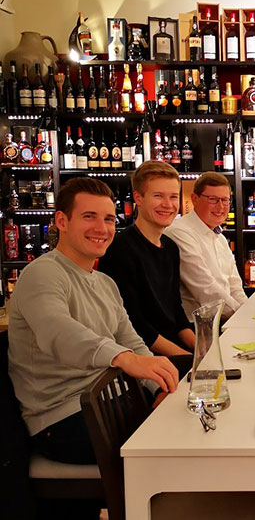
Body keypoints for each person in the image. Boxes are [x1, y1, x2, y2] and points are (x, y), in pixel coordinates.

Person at [7, 178, 178, 518]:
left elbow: (132, 341)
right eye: (89, 217)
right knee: (178, 448)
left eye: (109, 219)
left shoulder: (104, 283)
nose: (102, 228)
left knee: (191, 422)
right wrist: (124, 359)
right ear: (62, 221)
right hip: (63, 420)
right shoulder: (41, 274)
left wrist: (158, 385)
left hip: (111, 403)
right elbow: (59, 333)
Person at [98, 161, 195, 357]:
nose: (168, 205)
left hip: (174, 351)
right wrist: (188, 359)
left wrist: (203, 349)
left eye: (173, 196)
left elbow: (176, 311)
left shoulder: (171, 248)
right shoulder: (119, 249)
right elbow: (135, 325)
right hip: (143, 358)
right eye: (158, 196)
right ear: (138, 198)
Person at [165, 172, 247, 322]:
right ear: (194, 199)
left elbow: (235, 286)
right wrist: (243, 317)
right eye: (213, 199)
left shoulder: (220, 238)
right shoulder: (180, 232)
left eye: (225, 200)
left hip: (225, 320)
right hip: (196, 327)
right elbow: (206, 290)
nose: (220, 207)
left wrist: (248, 312)